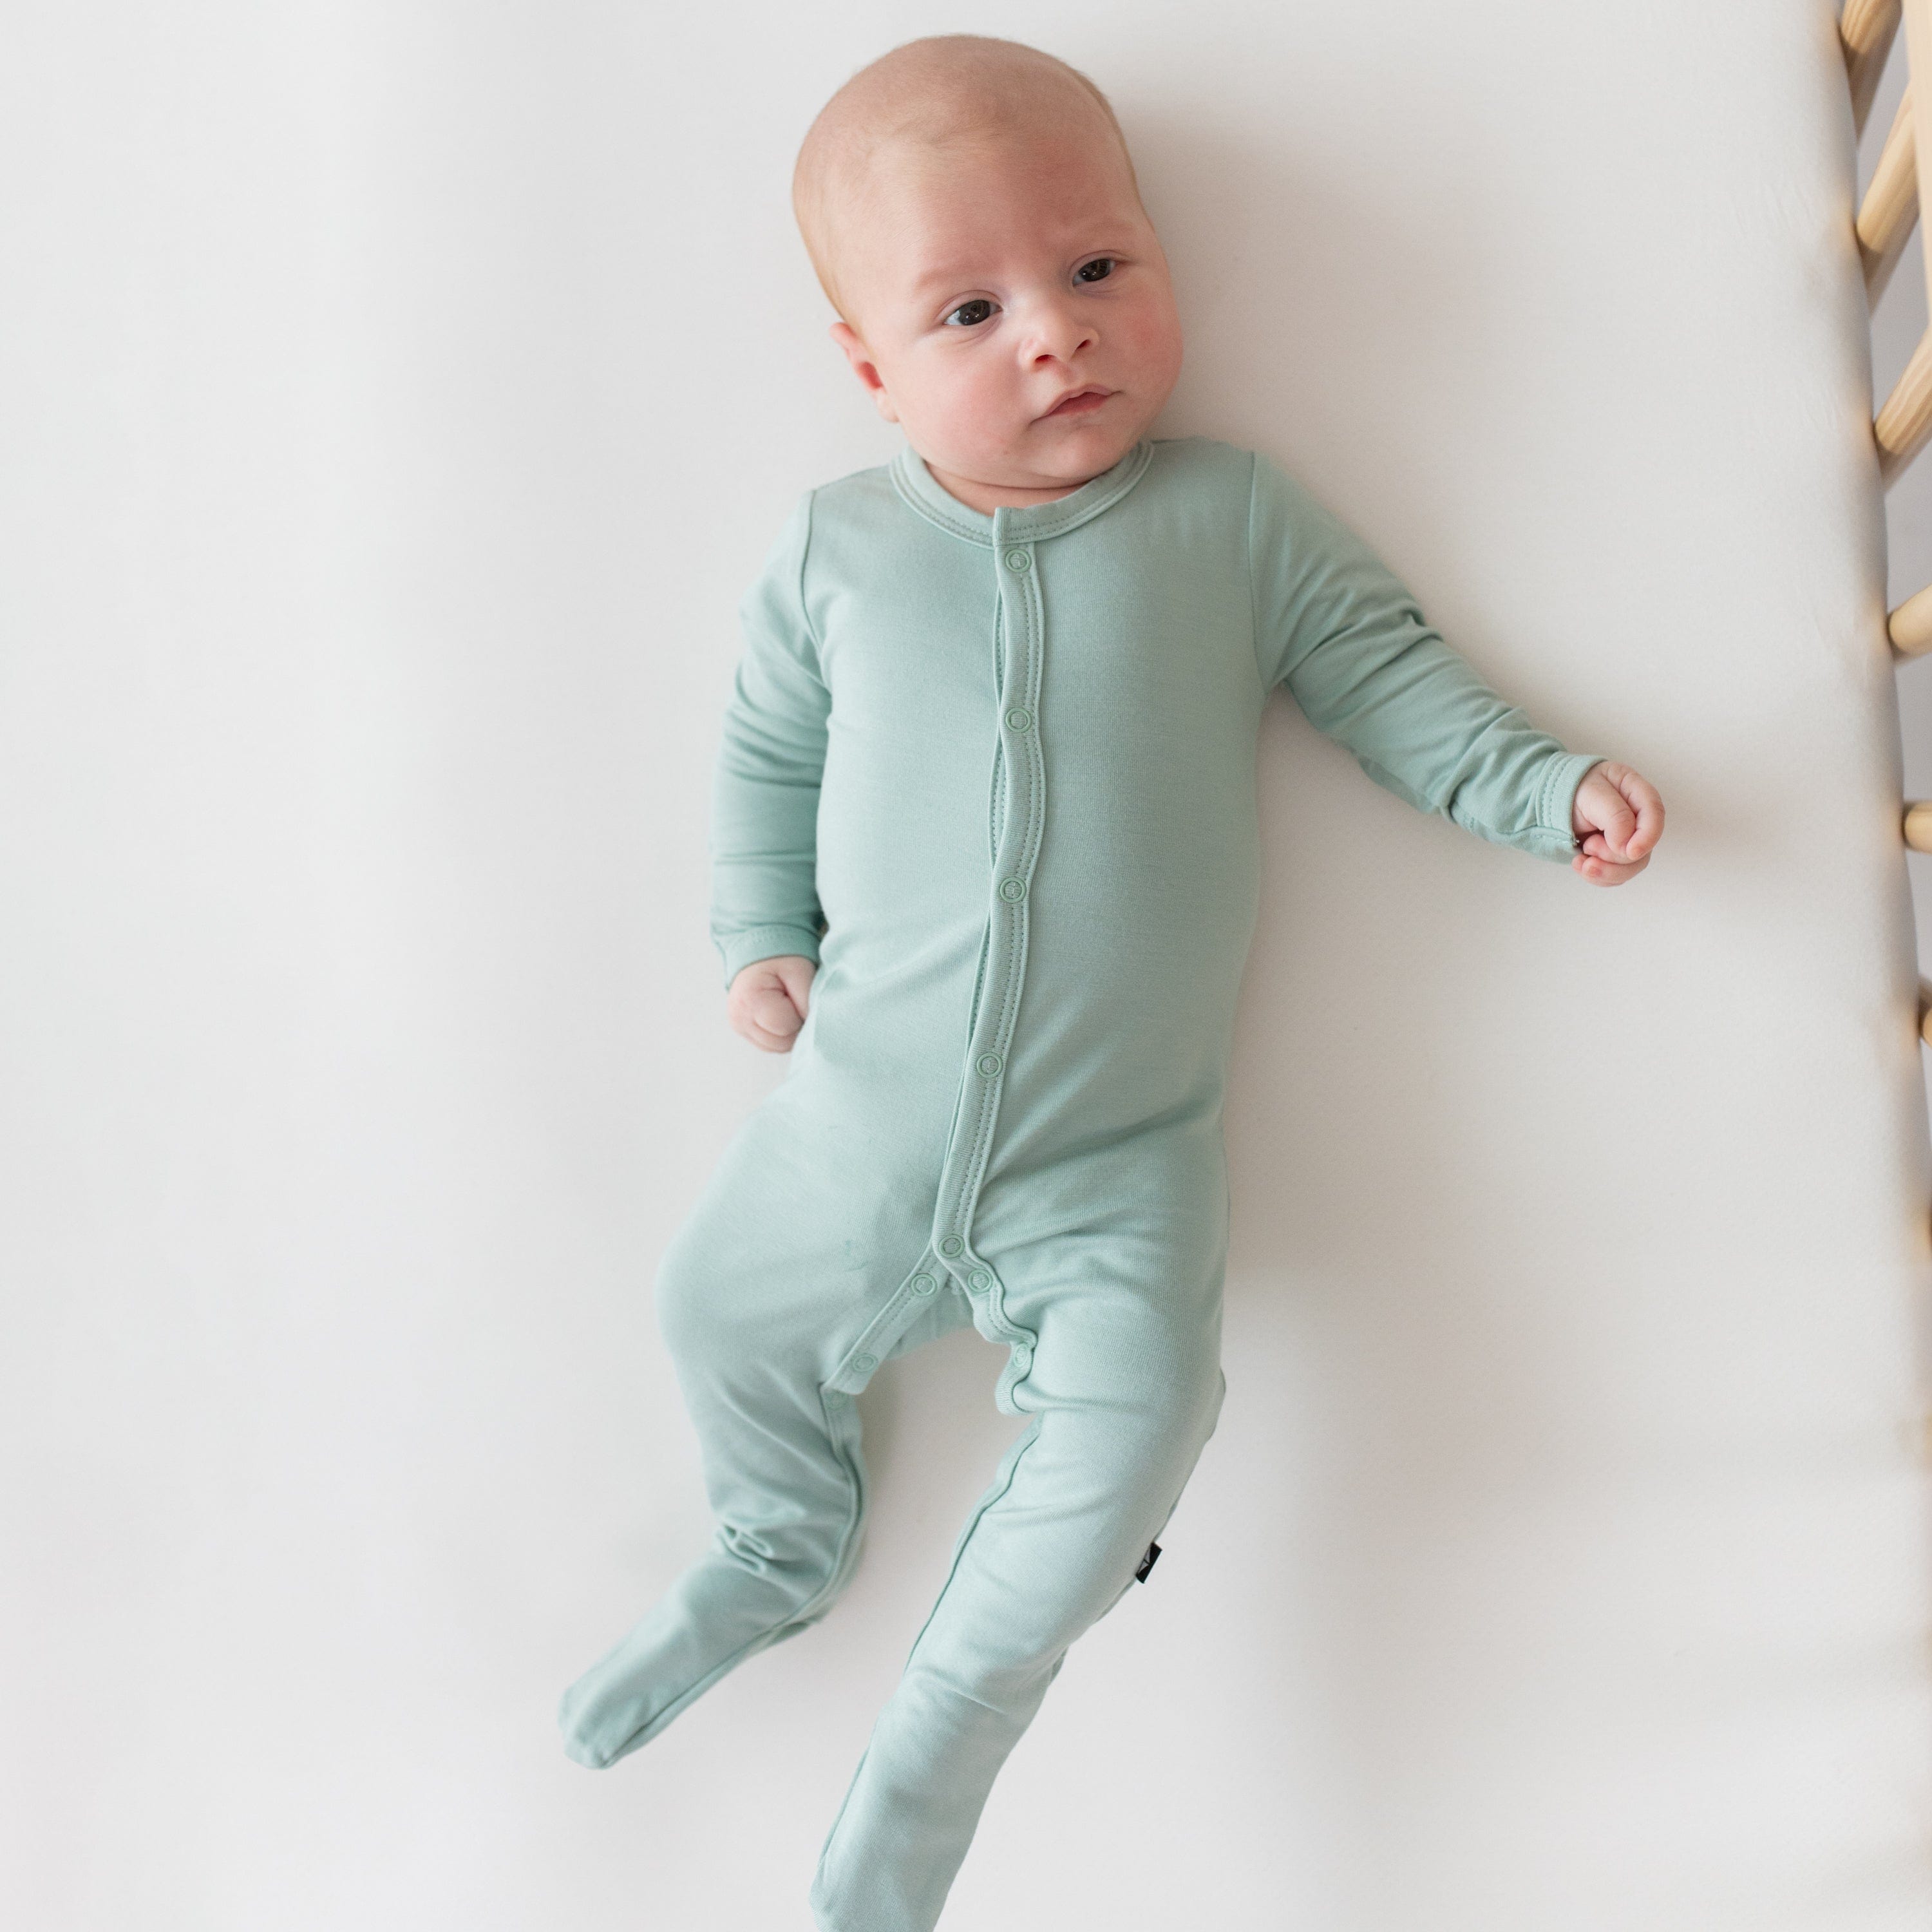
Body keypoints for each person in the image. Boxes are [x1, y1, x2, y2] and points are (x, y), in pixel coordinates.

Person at [558, 32, 1665, 1932]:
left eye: (1095, 268)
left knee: (1146, 1414)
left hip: (1121, 1156)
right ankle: (780, 1537)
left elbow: (1389, 675)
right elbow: (765, 753)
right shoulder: (839, 551)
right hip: (861, 1118)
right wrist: (758, 935)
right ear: (871, 370)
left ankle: (942, 1734)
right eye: (970, 311)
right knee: (712, 1305)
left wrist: (1537, 785)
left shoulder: (1235, 521)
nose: (1054, 336)